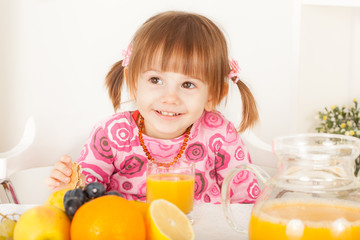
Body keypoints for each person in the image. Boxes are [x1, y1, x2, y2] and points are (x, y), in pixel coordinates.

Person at [45, 11, 260, 204]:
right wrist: (69, 188)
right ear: (133, 83)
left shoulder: (220, 134)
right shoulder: (111, 134)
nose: (169, 97)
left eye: (188, 84)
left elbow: (247, 203)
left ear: (213, 95)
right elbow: (87, 197)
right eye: (155, 80)